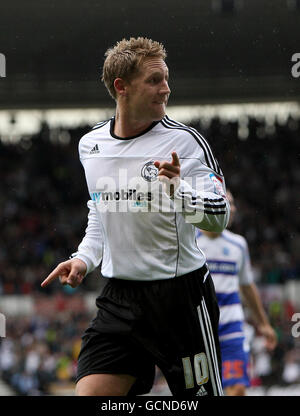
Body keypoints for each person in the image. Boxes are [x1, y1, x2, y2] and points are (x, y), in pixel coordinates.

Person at [41, 37, 230, 397]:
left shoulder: (187, 143)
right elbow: (100, 207)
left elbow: (218, 218)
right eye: (155, 80)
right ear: (121, 87)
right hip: (120, 300)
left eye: (166, 78)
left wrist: (179, 191)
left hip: (181, 300)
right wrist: (84, 258)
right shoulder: (91, 145)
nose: (166, 89)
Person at [196, 190, 277, 396]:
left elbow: (247, 286)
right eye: (227, 203)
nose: (232, 209)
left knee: (237, 388)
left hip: (232, 327)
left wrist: (264, 324)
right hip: (199, 329)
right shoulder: (190, 242)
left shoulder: (238, 244)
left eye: (232, 204)